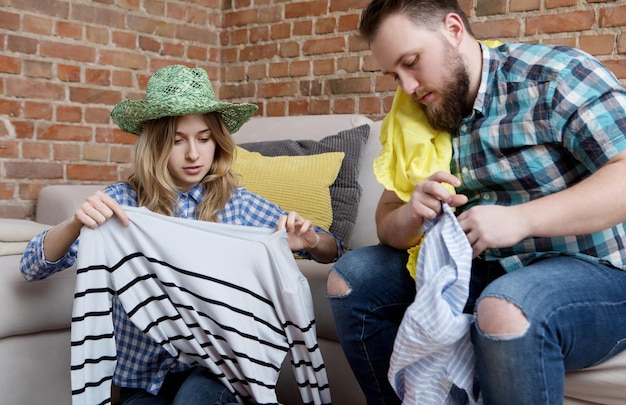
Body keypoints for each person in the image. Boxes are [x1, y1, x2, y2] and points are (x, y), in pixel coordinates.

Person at [326, 0, 626, 404]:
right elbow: (386, 225)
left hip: (598, 273)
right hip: (480, 271)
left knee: (503, 306)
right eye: (394, 75)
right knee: (352, 279)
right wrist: (413, 211)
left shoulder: (554, 76)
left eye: (412, 62)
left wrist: (522, 219)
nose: (408, 88)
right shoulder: (417, 113)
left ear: (453, 29)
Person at [20, 64, 344, 405]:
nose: (194, 154)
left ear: (217, 141)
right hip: (145, 381)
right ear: (156, 145)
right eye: (177, 141)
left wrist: (309, 239)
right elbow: (31, 266)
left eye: (204, 139)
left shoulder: (237, 205)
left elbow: (330, 249)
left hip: (219, 372)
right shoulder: (121, 204)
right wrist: (76, 222)